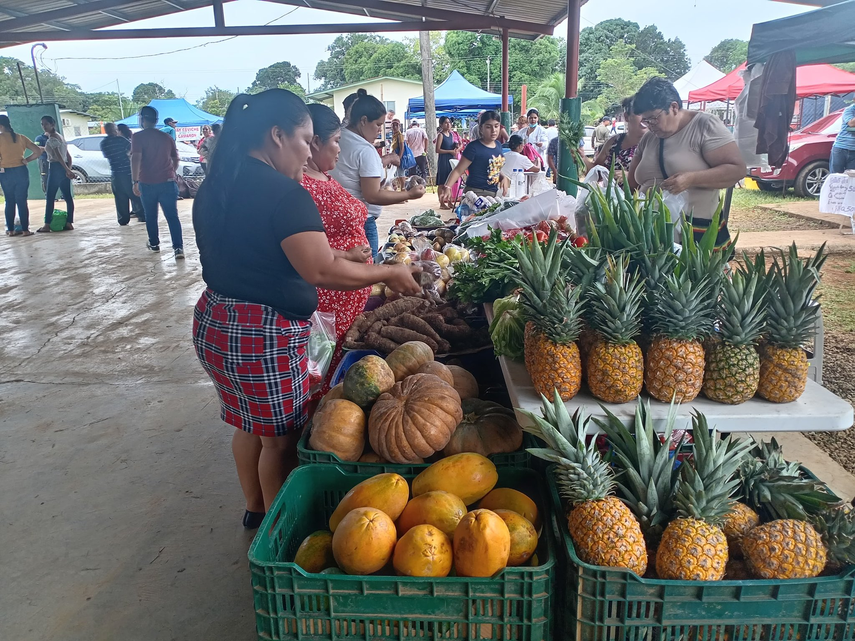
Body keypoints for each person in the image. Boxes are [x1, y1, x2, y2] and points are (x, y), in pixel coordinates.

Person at [191, 89, 421, 528]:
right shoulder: (283, 193)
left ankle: (255, 511)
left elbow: (263, 257)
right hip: (261, 334)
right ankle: (281, 530)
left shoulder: (218, 184)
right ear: (277, 135)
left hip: (218, 324)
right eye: (305, 139)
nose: (308, 152)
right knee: (279, 441)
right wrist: (387, 273)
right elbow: (320, 270)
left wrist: (353, 262)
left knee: (250, 427)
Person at [301, 103, 374, 394]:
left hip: (346, 304)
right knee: (323, 382)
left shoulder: (322, 176)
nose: (339, 150)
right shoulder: (301, 186)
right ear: (314, 142)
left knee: (341, 382)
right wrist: (348, 256)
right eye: (336, 142)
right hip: (328, 308)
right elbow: (308, 251)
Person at [629, 77, 747, 248]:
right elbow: (632, 182)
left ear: (674, 107)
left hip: (694, 232)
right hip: (651, 234)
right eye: (645, 121)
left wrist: (691, 179)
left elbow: (737, 170)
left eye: (653, 118)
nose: (650, 125)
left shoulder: (704, 125)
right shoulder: (649, 138)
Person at [331, 88, 424, 260]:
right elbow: (372, 195)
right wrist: (409, 194)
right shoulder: (364, 149)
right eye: (378, 125)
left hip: (338, 218)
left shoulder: (338, 137)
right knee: (365, 273)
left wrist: (384, 160)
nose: (379, 131)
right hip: (362, 221)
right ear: (363, 121)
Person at [131, 105, 184, 258]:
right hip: (167, 182)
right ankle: (178, 248)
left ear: (143, 119)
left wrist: (135, 181)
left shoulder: (138, 137)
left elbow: (136, 158)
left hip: (147, 182)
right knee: (172, 216)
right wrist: (171, 172)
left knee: (151, 215)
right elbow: (175, 158)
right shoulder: (166, 137)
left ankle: (154, 244)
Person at [439, 110, 505, 205]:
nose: (493, 130)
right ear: (481, 128)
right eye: (488, 127)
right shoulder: (473, 147)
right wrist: (448, 187)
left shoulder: (498, 145)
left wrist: (503, 177)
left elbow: (494, 167)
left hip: (493, 194)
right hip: (475, 195)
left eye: (496, 126)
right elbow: (458, 170)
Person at [586, 96, 646, 183]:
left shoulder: (655, 143)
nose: (645, 118)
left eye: (648, 113)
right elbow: (597, 173)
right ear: (626, 117)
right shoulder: (615, 141)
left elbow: (657, 179)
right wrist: (582, 157)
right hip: (612, 196)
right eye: (639, 113)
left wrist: (630, 177)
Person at [0, 115, 42, 236]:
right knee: (22, 201)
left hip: (5, 172)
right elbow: (38, 151)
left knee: (9, 201)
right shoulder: (21, 137)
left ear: (1, 126)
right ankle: (25, 230)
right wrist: (27, 160)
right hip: (21, 171)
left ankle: (11, 230)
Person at [36, 115, 75, 233]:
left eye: (46, 124)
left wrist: (68, 170)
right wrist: (68, 168)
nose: (44, 126)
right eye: (42, 124)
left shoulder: (52, 138)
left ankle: (47, 225)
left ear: (52, 124)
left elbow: (58, 156)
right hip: (63, 167)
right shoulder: (60, 137)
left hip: (56, 167)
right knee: (67, 196)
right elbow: (67, 155)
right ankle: (69, 222)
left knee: (50, 197)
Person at [101, 123, 145, 225]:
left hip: (115, 172)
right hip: (127, 171)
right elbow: (132, 151)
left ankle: (123, 219)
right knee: (135, 194)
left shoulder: (104, 143)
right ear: (115, 130)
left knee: (120, 197)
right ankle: (142, 215)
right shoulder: (121, 140)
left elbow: (107, 155)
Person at [435, 116, 461, 209]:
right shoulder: (440, 135)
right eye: (446, 123)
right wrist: (449, 151)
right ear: (441, 125)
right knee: (442, 183)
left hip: (451, 159)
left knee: (450, 182)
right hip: (443, 160)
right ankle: (442, 202)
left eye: (449, 122)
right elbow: (437, 150)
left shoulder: (451, 135)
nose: (448, 124)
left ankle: (449, 201)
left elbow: (455, 144)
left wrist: (456, 146)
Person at [830, 101, 855, 174]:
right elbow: (851, 123)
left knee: (851, 177)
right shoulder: (849, 110)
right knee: (836, 176)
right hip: (841, 148)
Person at [390, 119, 407, 191]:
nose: (395, 127)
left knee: (401, 175)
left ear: (399, 126)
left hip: (399, 157)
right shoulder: (394, 136)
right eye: (393, 125)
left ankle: (403, 192)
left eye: (396, 125)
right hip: (395, 157)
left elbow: (402, 148)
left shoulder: (400, 136)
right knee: (397, 175)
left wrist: (399, 158)